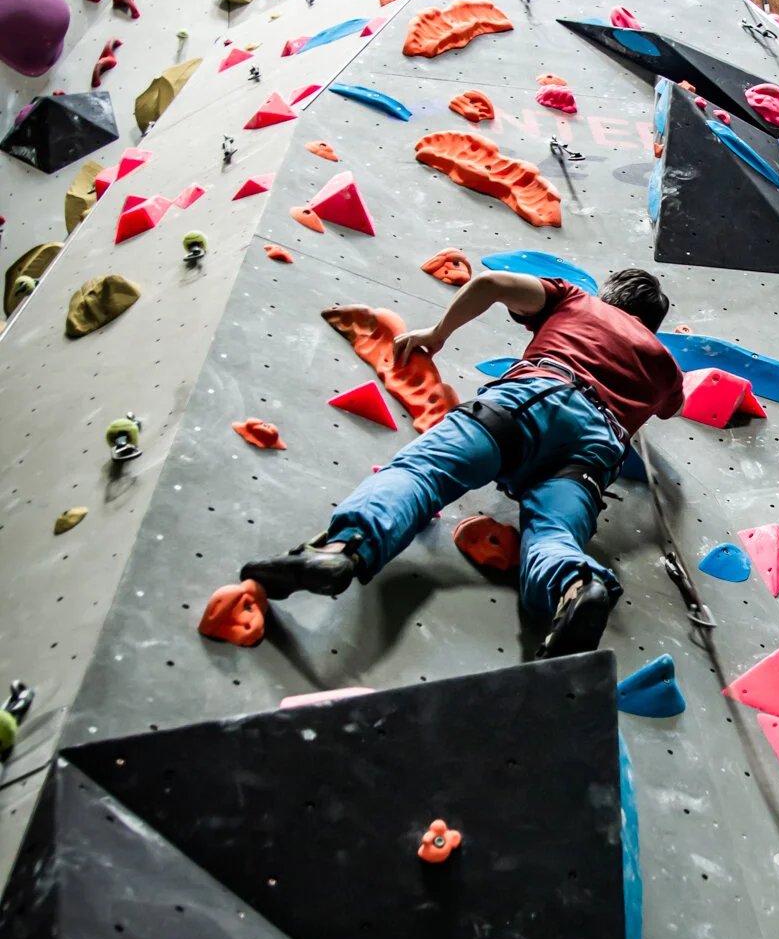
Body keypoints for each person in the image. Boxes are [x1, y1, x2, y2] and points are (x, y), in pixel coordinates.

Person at [242, 266, 684, 657]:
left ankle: (343, 551)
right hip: (594, 448)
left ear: (609, 296)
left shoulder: (577, 300)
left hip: (533, 401)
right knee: (555, 534)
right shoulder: (666, 368)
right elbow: (670, 409)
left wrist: (436, 334)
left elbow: (490, 283)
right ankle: (577, 586)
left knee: (423, 474)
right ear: (653, 324)